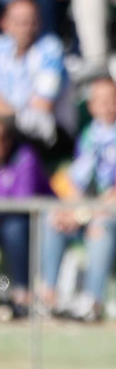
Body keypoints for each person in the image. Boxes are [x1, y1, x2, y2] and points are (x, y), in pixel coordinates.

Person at [39, 76, 116, 319]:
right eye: (101, 101)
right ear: (91, 106)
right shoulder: (90, 134)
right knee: (53, 218)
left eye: (113, 100)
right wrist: (71, 211)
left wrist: (84, 213)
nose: (108, 106)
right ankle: (47, 298)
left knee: (100, 225)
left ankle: (92, 303)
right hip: (97, 209)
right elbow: (71, 182)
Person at [0, 0, 65, 148]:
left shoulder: (51, 49)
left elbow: (42, 106)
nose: (26, 27)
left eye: (31, 21)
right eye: (20, 22)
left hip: (47, 134)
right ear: (5, 23)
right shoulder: (3, 47)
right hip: (10, 124)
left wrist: (5, 113)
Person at [0, 116, 45, 315]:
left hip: (36, 220)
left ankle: (22, 293)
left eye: (3, 138)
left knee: (14, 229)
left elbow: (21, 202)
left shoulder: (25, 156)